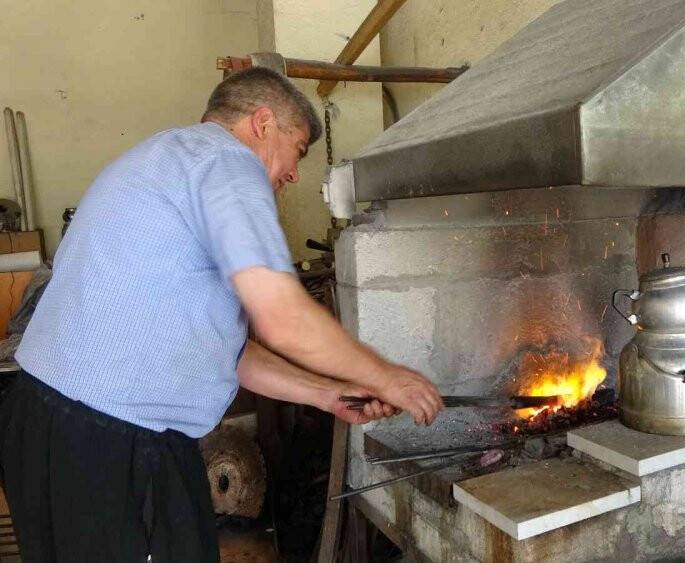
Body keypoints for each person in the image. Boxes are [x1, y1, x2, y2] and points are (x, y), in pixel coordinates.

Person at [0, 67, 443, 562]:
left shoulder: (171, 158)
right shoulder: (227, 162)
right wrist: (388, 376)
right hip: (112, 441)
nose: (294, 174)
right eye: (297, 149)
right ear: (263, 123)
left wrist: (329, 394)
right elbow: (282, 316)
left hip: (48, 426)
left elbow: (221, 350)